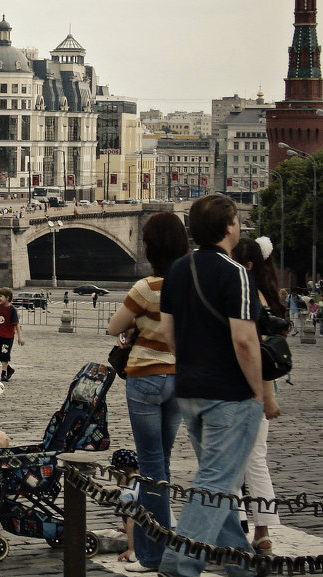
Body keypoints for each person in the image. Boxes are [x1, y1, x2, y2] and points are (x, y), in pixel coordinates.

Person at [157, 193, 272, 577]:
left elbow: (168, 333)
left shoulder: (177, 270)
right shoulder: (235, 272)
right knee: (216, 481)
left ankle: (239, 564)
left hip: (189, 389)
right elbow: (245, 341)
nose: (239, 226)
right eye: (237, 220)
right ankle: (179, 564)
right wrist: (257, 391)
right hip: (229, 394)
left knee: (216, 480)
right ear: (227, 227)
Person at [106, 211, 187, 572]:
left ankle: (154, 554)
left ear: (151, 247)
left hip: (146, 378)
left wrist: (138, 323)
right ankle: (158, 542)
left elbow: (114, 327)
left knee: (151, 465)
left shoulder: (145, 288)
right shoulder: (190, 284)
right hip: (181, 379)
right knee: (162, 464)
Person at [230, 236, 284, 554]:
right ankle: (261, 532)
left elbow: (257, 350)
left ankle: (242, 527)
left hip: (248, 386)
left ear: (247, 265)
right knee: (254, 459)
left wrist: (266, 397)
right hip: (258, 387)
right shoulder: (262, 294)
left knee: (238, 460)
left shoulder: (248, 296)